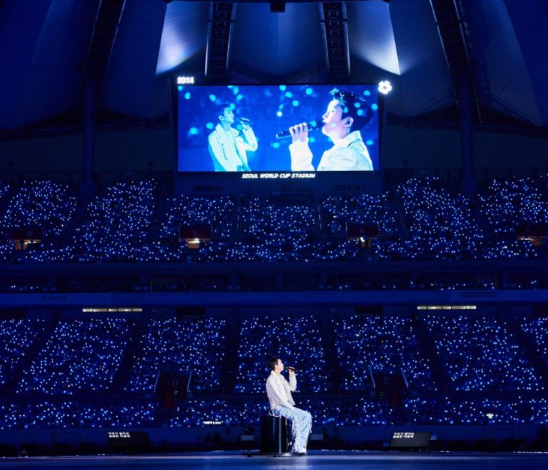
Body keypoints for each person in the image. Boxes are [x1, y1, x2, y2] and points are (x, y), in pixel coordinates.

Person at [289, 88, 374, 171]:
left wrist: (300, 145)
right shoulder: (351, 150)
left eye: (332, 111)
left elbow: (308, 180)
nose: (324, 116)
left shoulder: (347, 154)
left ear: (347, 122)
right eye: (327, 111)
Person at [265, 357, 312, 456]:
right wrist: (292, 408)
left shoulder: (281, 377)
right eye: (281, 363)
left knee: (307, 415)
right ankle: (297, 447)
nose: (283, 364)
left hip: (286, 406)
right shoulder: (271, 380)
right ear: (276, 365)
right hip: (277, 408)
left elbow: (292, 387)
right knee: (296, 416)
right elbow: (278, 398)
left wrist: (292, 376)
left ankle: (301, 445)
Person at [208, 103, 258, 172]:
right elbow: (220, 160)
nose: (233, 115)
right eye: (229, 113)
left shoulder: (236, 133)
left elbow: (253, 147)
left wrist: (248, 130)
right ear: (221, 117)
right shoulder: (214, 137)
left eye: (232, 112)